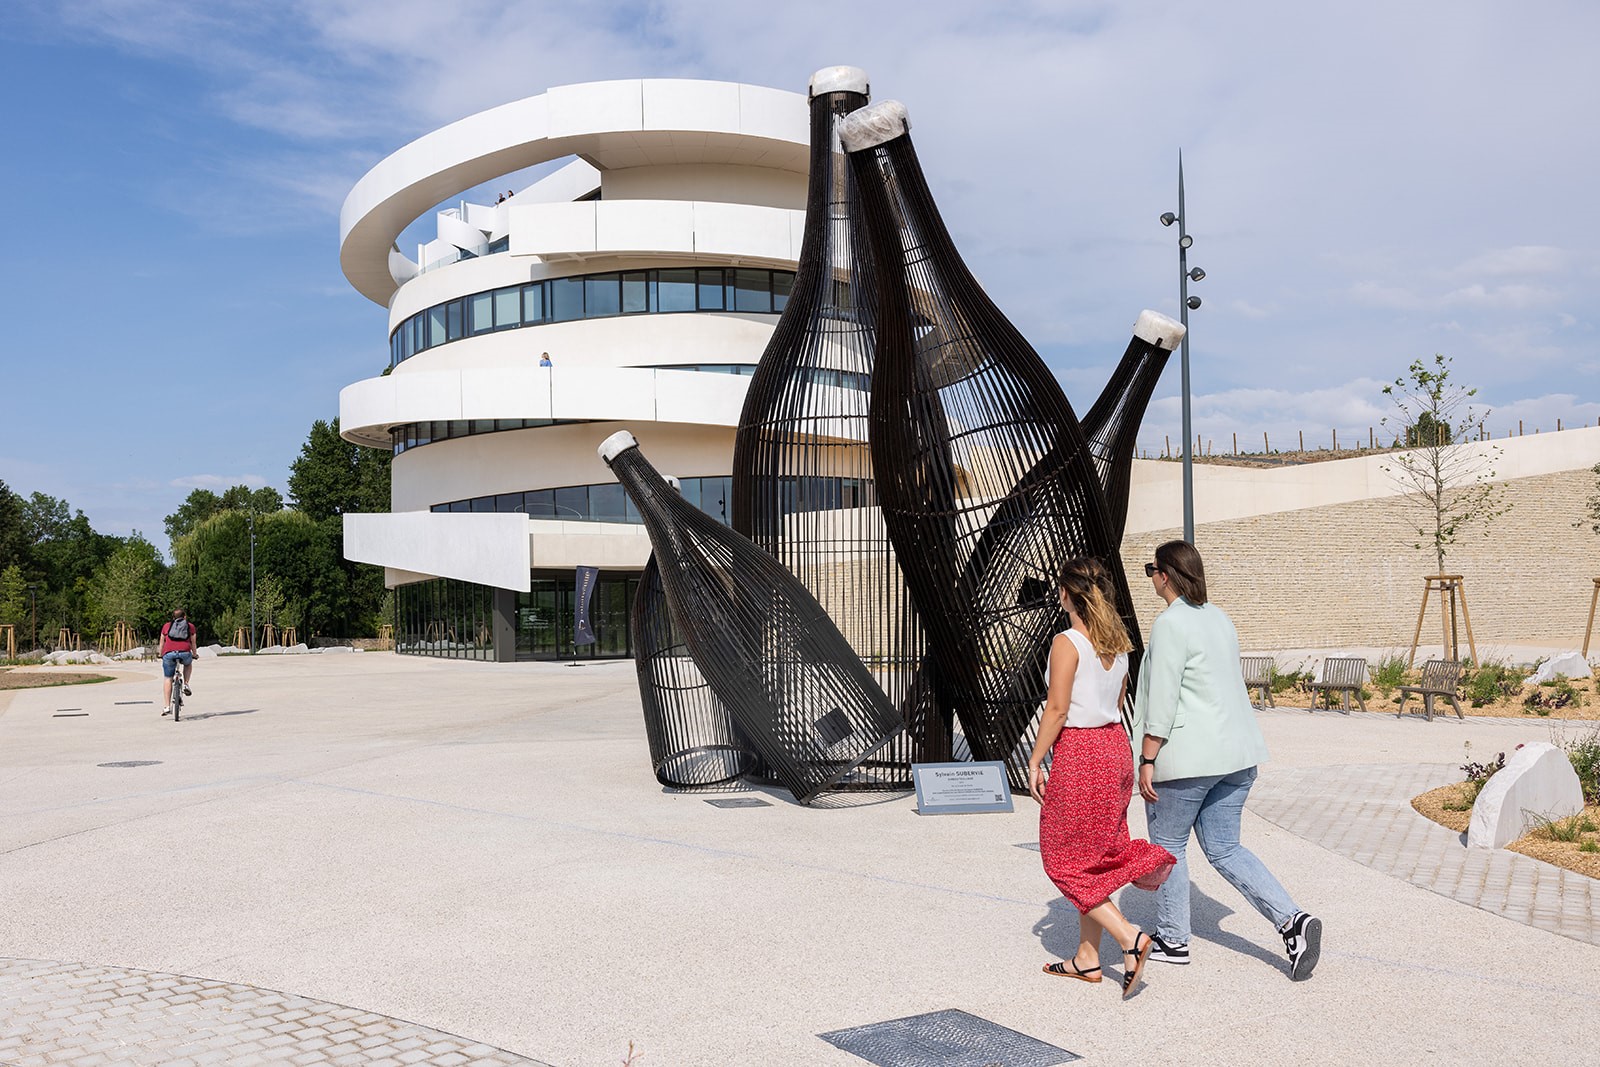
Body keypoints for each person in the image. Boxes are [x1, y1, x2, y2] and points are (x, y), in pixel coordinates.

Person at [1133, 540, 1323, 980]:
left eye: (1151, 570)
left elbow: (1163, 697)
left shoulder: (1170, 624)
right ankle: (1292, 920)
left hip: (1188, 758)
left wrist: (1147, 756)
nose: (1151, 579)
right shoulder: (1220, 618)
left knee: (1168, 846)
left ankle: (1173, 939)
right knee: (1225, 847)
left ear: (1165, 574)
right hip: (1236, 754)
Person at [1029, 557, 1175, 999]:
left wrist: (1035, 760)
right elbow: (1117, 700)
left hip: (1081, 751)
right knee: (1092, 854)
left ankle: (1129, 937)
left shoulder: (1066, 642)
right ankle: (1087, 958)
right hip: (1114, 749)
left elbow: (1057, 709)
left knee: (1062, 858)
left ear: (1069, 593)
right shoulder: (1120, 644)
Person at [159, 607, 197, 714]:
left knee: (168, 678)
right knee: (188, 663)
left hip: (169, 653)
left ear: (173, 617)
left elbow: (162, 642)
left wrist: (160, 653)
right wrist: (194, 654)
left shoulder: (166, 626)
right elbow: (193, 643)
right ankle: (186, 683)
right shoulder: (190, 626)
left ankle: (167, 706)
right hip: (185, 652)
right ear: (184, 617)